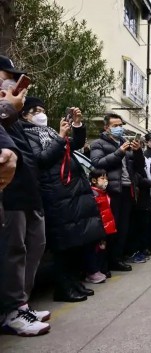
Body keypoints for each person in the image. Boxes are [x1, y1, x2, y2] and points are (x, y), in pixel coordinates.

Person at [21, 98, 105, 302]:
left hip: (70, 190)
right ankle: (63, 288)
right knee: (62, 244)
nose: (41, 114)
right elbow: (42, 159)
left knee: (76, 241)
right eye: (35, 111)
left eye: (42, 109)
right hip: (54, 192)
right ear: (24, 115)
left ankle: (74, 283)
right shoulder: (25, 134)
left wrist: (76, 125)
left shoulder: (48, 131)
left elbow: (73, 145)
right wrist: (60, 136)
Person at [0, 57, 51, 337]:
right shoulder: (8, 113)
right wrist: (10, 108)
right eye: (5, 80)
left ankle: (22, 304)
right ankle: (12, 310)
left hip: (31, 193)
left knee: (35, 246)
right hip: (11, 194)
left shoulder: (16, 117)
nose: (11, 86)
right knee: (13, 252)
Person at [90, 113, 145, 272]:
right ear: (106, 128)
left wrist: (137, 152)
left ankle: (117, 259)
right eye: (115, 126)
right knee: (109, 229)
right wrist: (119, 152)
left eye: (120, 125)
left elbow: (138, 167)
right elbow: (97, 164)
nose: (119, 128)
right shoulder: (98, 144)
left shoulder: (124, 143)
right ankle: (104, 263)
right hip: (111, 191)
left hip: (127, 190)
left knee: (123, 227)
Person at [88, 169, 117, 282]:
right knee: (98, 249)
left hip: (107, 227)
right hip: (100, 228)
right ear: (94, 180)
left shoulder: (104, 194)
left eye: (106, 178)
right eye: (102, 178)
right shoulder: (94, 194)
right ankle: (97, 270)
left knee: (103, 249)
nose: (105, 181)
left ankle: (103, 269)